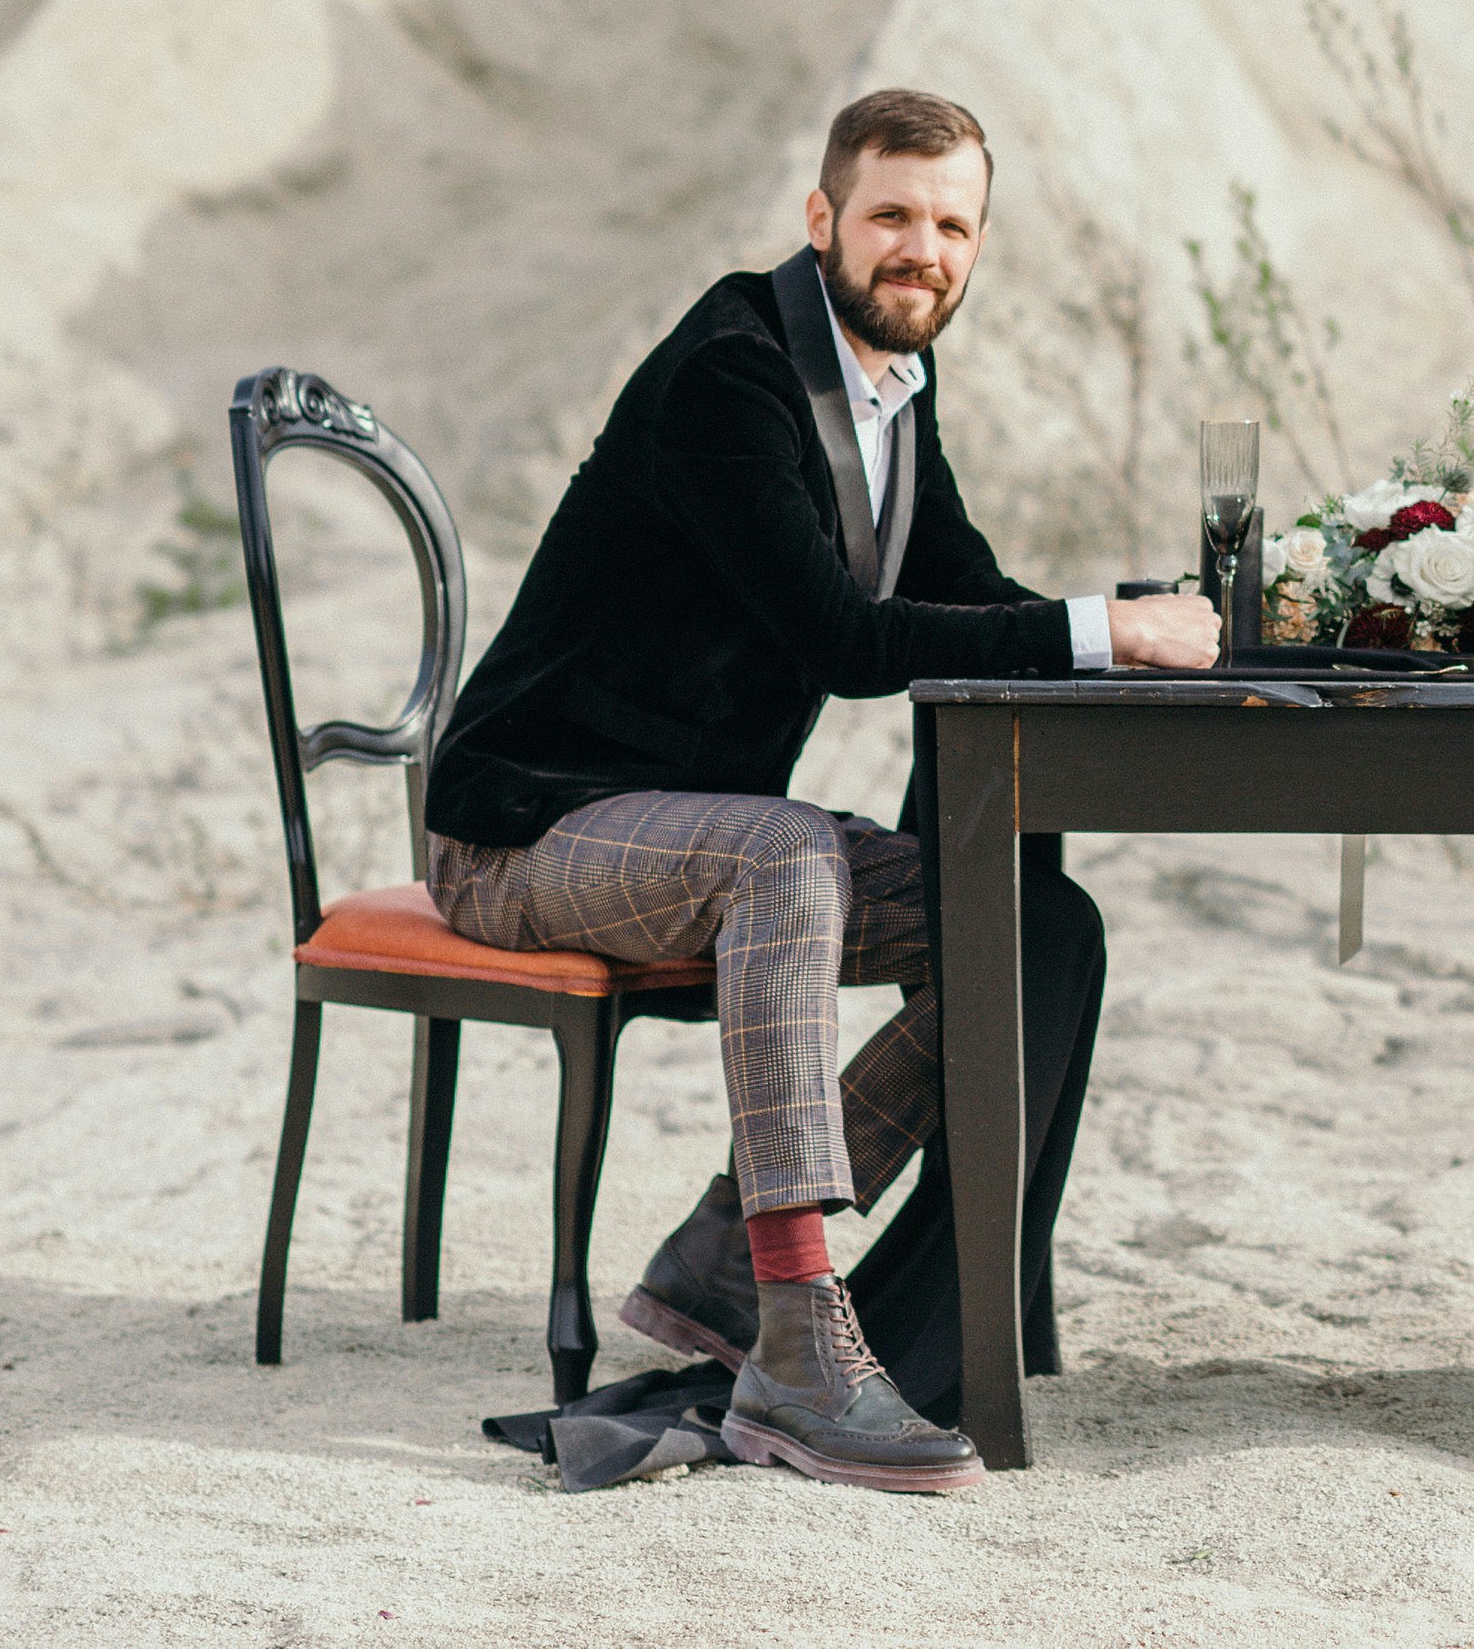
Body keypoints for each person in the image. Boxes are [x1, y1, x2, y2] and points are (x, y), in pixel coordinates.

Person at [423, 88, 1220, 1494]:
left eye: (953, 223)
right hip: (524, 830)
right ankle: (795, 1338)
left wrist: (1139, 618)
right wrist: (1100, 628)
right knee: (786, 854)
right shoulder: (731, 374)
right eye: (894, 215)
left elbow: (964, 593)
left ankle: (732, 1257)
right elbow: (847, 643)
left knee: (1041, 926)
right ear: (822, 221)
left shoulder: (892, 385)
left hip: (695, 842)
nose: (924, 248)